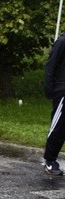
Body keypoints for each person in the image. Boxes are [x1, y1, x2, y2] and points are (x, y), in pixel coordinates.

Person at [42, 33, 65, 176]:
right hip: (63, 91)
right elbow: (51, 66)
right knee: (59, 127)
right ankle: (50, 160)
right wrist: (49, 89)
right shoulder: (62, 42)